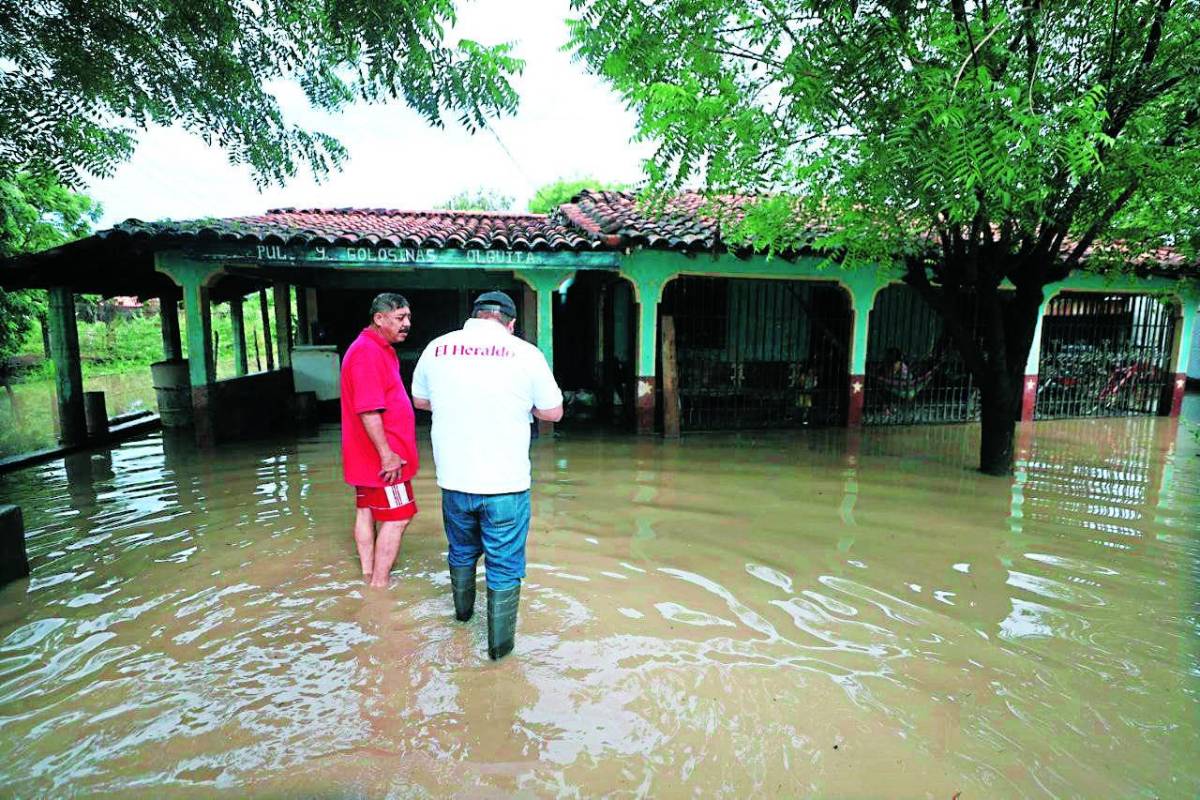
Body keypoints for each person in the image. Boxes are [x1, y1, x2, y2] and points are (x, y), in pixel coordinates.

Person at [412, 290, 563, 660]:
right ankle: (500, 655)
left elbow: (420, 401)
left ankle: (462, 620)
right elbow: (553, 412)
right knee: (504, 565)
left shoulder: (437, 348)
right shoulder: (526, 354)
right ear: (511, 324)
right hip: (505, 485)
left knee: (461, 552)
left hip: (454, 482)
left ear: (475, 316)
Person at [340, 293, 419, 589]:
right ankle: (380, 586)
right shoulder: (367, 353)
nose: (407, 324)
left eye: (408, 317)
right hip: (386, 460)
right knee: (399, 517)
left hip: (366, 455)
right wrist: (387, 454)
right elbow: (368, 409)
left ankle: (367, 575)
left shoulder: (376, 348)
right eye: (400, 318)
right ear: (379, 318)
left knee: (365, 510)